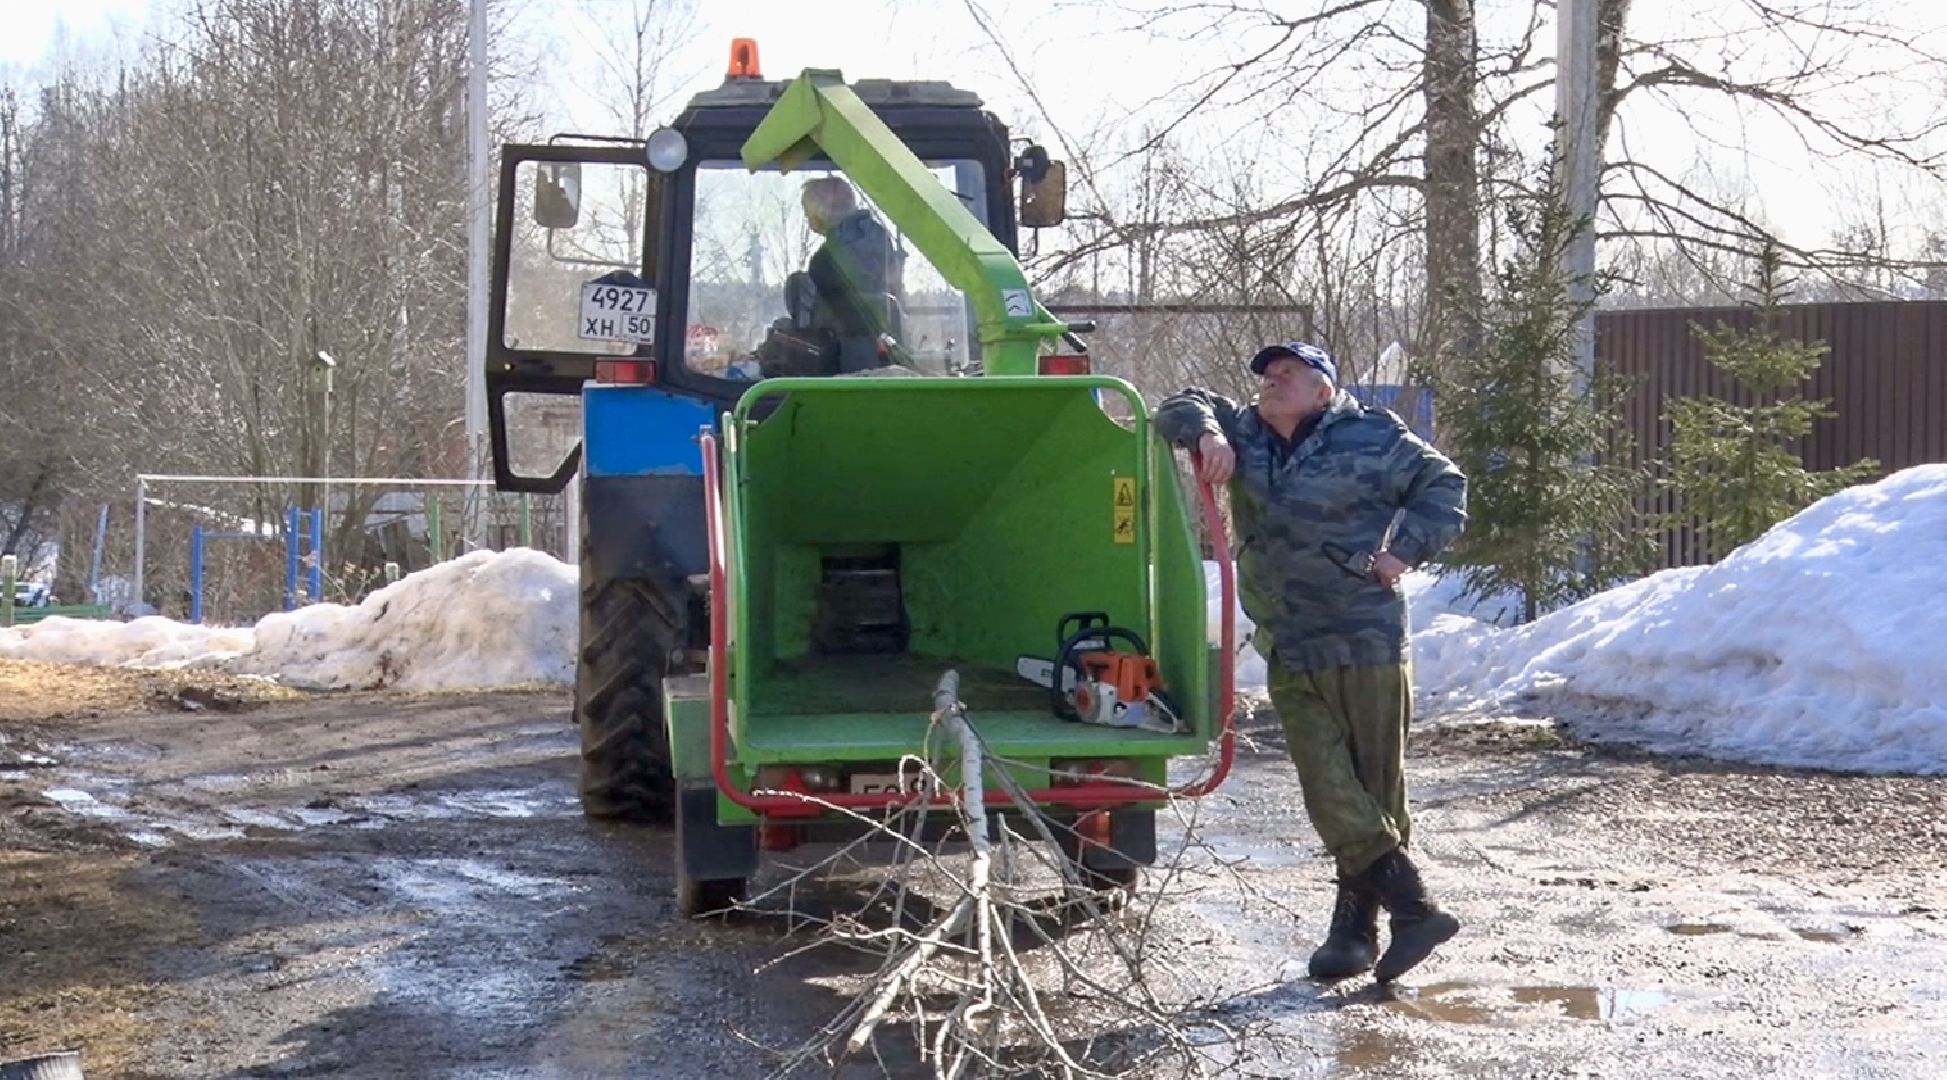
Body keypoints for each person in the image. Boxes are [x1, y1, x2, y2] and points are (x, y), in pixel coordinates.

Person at [1156, 341, 1468, 983]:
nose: (1271, 381)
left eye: (1287, 374)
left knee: (1374, 788)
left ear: (1324, 389)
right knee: (1327, 784)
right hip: (1291, 642)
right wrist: (1208, 434)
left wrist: (1402, 553)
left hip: (1365, 640)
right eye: (1267, 374)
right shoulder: (1244, 430)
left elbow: (1445, 485)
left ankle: (1354, 933)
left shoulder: (1373, 438)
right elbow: (1176, 407)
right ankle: (1414, 908)